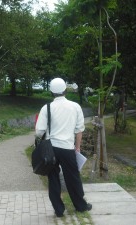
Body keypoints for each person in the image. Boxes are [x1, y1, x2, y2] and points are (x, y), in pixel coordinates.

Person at [35, 77, 92, 217]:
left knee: (53, 178)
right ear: (65, 90)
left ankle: (59, 210)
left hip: (51, 148)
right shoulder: (75, 106)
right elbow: (79, 130)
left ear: (51, 92)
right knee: (73, 177)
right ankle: (80, 206)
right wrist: (77, 147)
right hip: (67, 148)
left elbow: (39, 132)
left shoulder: (46, 107)